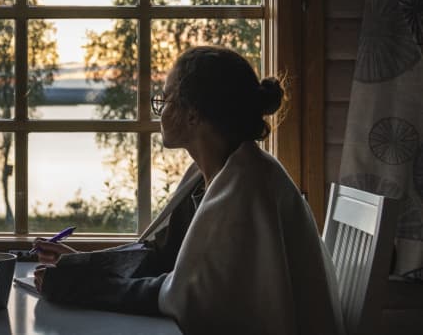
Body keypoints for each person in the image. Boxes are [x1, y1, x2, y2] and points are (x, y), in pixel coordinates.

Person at [31, 46, 345, 335]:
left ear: (192, 114)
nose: (160, 111)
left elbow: (181, 296)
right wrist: (84, 265)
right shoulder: (212, 174)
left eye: (165, 100)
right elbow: (163, 255)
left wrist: (75, 286)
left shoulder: (244, 189)